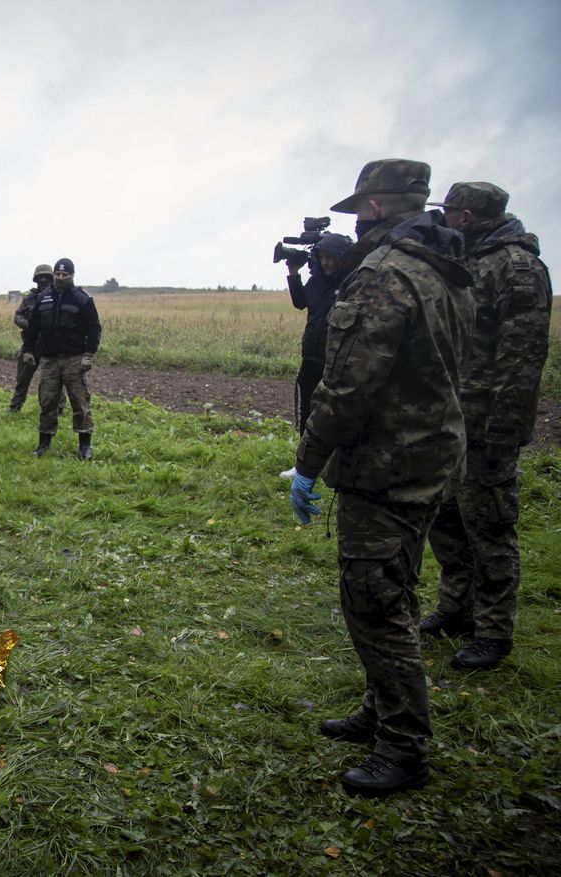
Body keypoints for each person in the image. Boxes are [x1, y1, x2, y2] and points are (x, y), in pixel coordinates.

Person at [288, 158, 473, 797]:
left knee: (374, 601)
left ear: (372, 208)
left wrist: (308, 463)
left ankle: (403, 747)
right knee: (397, 585)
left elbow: (349, 385)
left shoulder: (384, 276)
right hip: (433, 453)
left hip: (389, 464)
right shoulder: (445, 268)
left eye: (359, 211)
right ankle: (379, 710)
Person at [422, 182, 553, 670]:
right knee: (448, 519)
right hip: (452, 419)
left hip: (487, 426)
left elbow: (521, 359)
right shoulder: (469, 260)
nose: (447, 220)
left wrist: (502, 431)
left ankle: (494, 631)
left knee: (491, 528)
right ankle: (456, 610)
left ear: (470, 216)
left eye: (452, 212)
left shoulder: (516, 267)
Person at [24, 257, 102, 459]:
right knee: (47, 400)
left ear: (72, 275)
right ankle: (44, 444)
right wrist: (29, 350)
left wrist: (89, 354)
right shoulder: (44, 298)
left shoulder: (82, 298)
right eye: (57, 274)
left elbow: (94, 328)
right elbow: (33, 327)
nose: (60, 278)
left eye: (64, 275)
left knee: (79, 401)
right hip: (49, 360)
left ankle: (85, 446)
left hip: (74, 359)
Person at [285, 232, 354, 437]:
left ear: (341, 257)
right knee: (307, 410)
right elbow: (300, 302)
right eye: (322, 257)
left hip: (335, 362)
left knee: (333, 413)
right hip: (311, 358)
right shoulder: (317, 281)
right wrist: (294, 272)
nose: (326, 263)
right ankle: (302, 465)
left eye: (330, 257)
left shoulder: (351, 281)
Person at [8, 264, 54, 413]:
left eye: (46, 277)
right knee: (22, 378)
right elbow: (17, 316)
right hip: (30, 345)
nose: (43, 280)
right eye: (40, 277)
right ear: (36, 280)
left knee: (53, 381)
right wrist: (29, 326)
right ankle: (15, 407)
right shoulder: (29, 298)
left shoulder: (57, 296)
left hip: (51, 346)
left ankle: (57, 409)